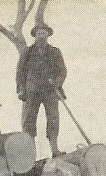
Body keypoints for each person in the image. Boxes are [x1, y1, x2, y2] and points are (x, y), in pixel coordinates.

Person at [16, 23, 67, 158]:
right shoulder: (27, 52)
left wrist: (56, 83)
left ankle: (54, 150)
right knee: (28, 122)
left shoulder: (55, 52)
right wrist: (21, 89)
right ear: (35, 35)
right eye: (39, 33)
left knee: (53, 119)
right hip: (31, 91)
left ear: (48, 35)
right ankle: (30, 154)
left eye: (43, 33)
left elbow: (62, 71)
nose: (41, 35)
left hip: (50, 91)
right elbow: (20, 72)